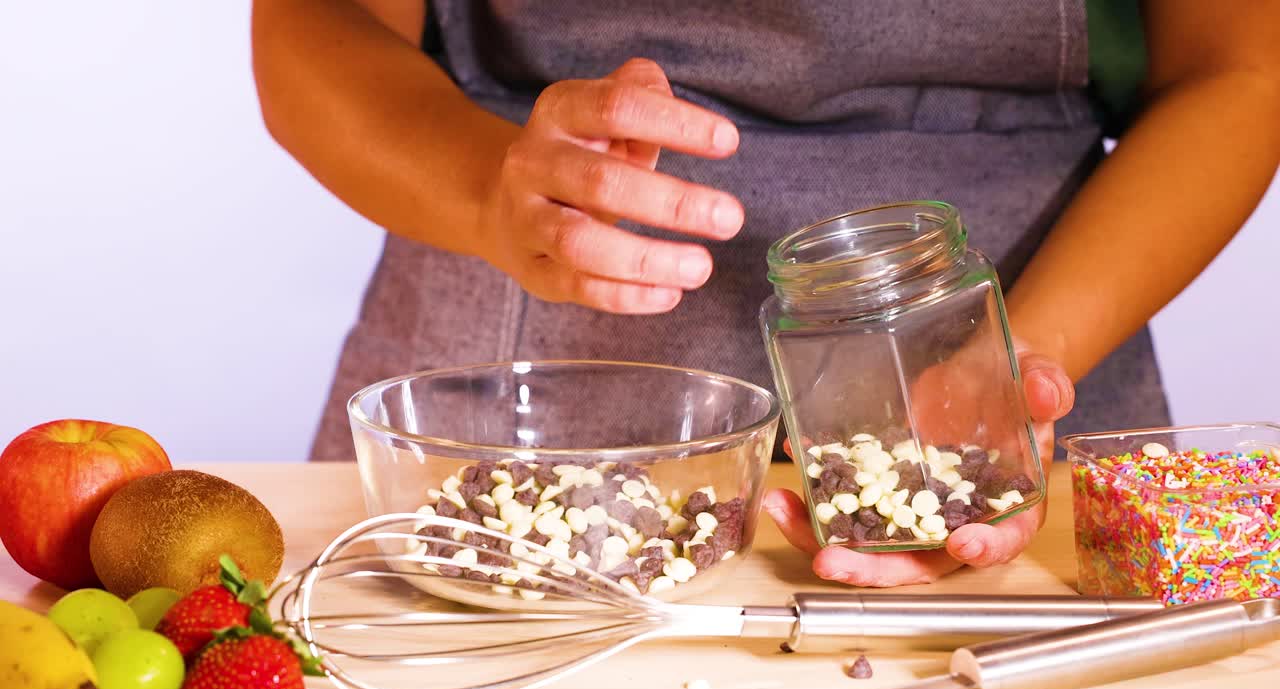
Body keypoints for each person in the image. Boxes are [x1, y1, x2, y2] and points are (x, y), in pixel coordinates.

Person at [250, 1, 1280, 587]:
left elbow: (1240, 66)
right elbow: (312, 24)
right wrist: (489, 191)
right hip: (523, 402)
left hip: (1034, 352)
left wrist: (1008, 380)